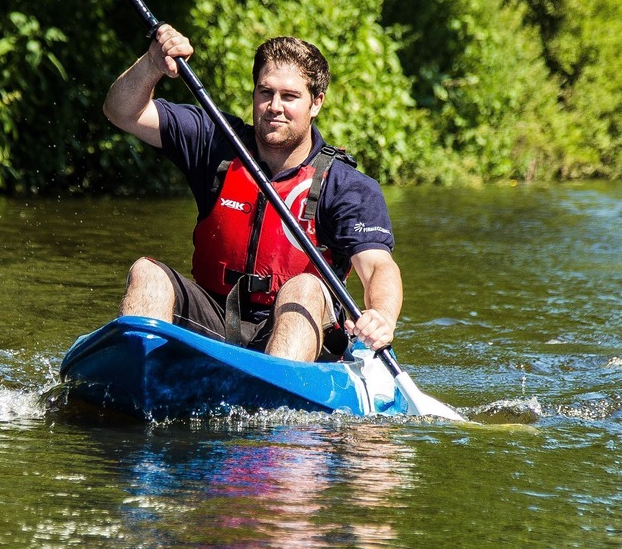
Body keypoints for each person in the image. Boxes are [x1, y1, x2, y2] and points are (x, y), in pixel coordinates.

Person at [102, 24, 402, 362]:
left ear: (316, 103)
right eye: (265, 93)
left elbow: (377, 266)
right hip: (215, 317)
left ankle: (274, 400)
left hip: (302, 334)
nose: (274, 106)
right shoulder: (214, 142)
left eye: (289, 96)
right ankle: (136, 380)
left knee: (304, 288)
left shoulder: (347, 186)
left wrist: (381, 316)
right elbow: (121, 111)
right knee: (147, 272)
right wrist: (152, 63)